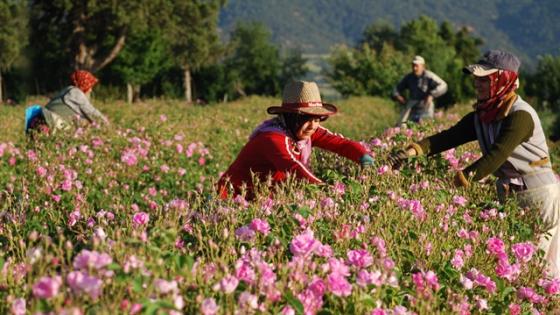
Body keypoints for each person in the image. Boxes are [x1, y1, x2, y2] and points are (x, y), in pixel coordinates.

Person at [388, 50, 560, 277]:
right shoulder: (483, 114)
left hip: (538, 196)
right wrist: (411, 151)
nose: (477, 84)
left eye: (484, 79)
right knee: (516, 268)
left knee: (538, 270)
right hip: (512, 195)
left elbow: (494, 158)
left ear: (502, 80)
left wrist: (448, 187)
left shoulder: (520, 115)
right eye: (476, 79)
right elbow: (447, 137)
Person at [218, 80, 374, 200]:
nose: (313, 125)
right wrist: (325, 190)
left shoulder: (303, 130)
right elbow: (292, 167)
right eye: (306, 118)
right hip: (230, 199)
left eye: (318, 119)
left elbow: (341, 144)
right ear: (290, 117)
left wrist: (364, 157)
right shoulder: (271, 138)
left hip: (259, 199)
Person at [25, 70, 109, 135]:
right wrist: (107, 124)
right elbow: (91, 112)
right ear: (83, 84)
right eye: (89, 86)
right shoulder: (76, 93)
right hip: (51, 122)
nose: (90, 90)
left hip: (41, 119)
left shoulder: (68, 90)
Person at [392, 55, 448, 126]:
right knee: (402, 125)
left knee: (425, 126)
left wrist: (431, 95)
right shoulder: (409, 77)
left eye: (417, 66)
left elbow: (443, 85)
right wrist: (398, 96)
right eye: (413, 66)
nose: (414, 68)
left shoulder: (429, 76)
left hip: (426, 105)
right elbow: (396, 88)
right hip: (412, 106)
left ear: (423, 66)